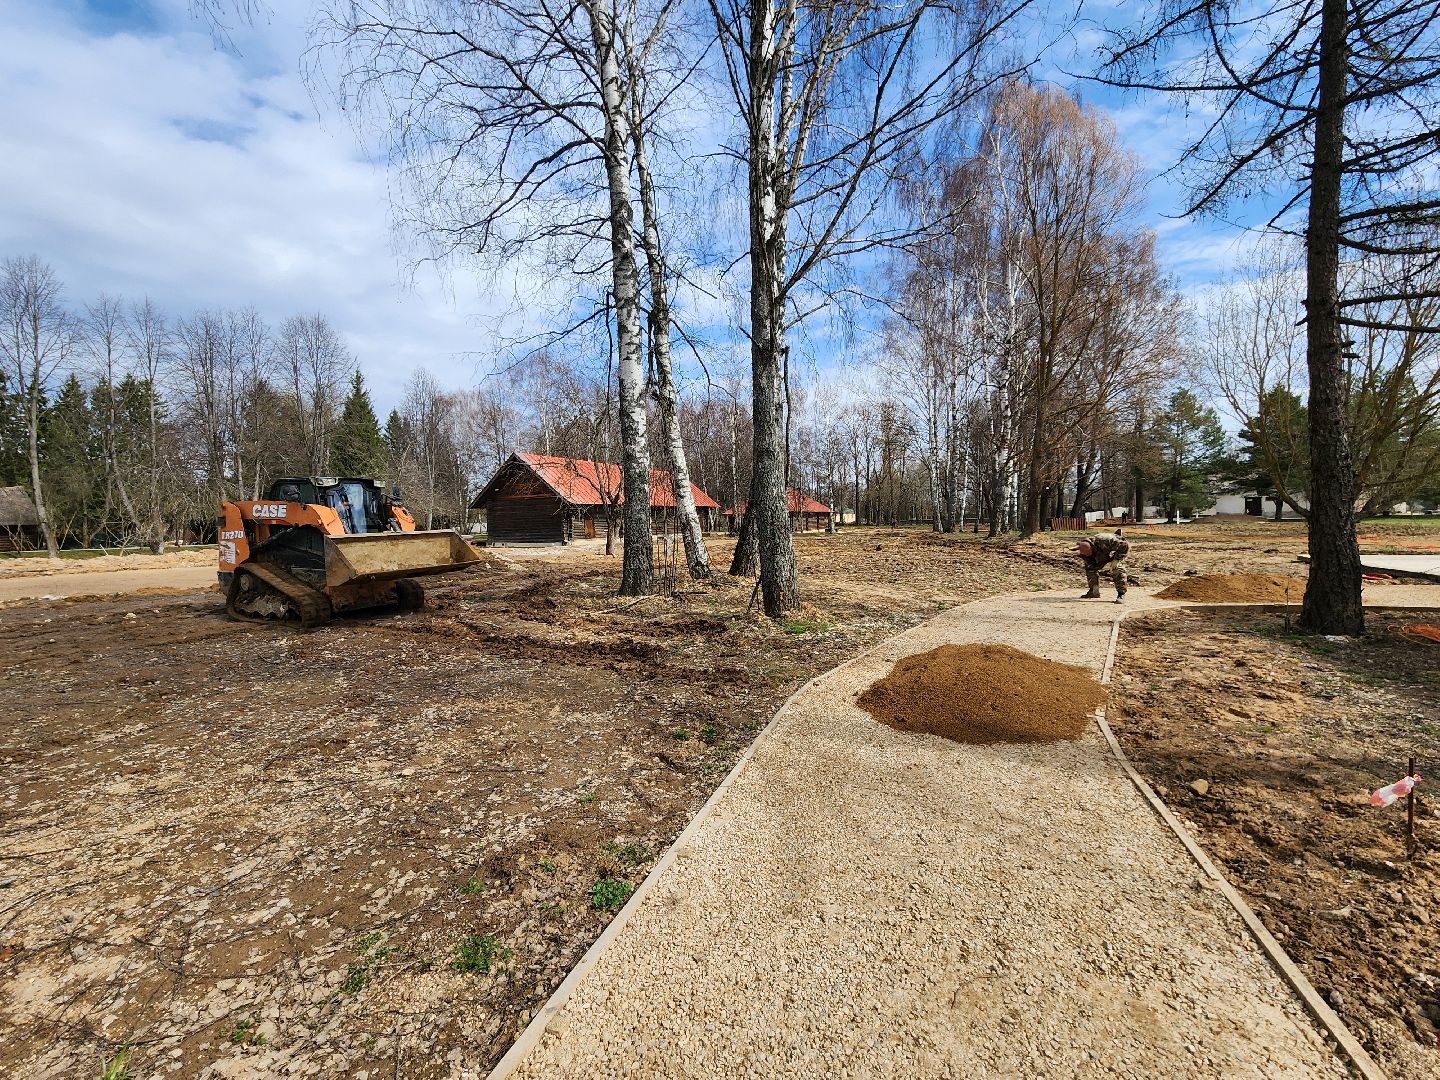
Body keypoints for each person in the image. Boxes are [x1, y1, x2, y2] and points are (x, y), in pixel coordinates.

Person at [1076, 530, 1129, 603]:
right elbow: (1088, 559)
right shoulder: (1084, 548)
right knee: (1090, 568)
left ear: (1092, 547)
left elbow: (1124, 545)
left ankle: (1121, 594)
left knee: (1118, 569)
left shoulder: (1104, 539)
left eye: (1088, 553)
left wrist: (1117, 559)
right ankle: (1094, 591)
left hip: (1114, 554)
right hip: (1099, 556)